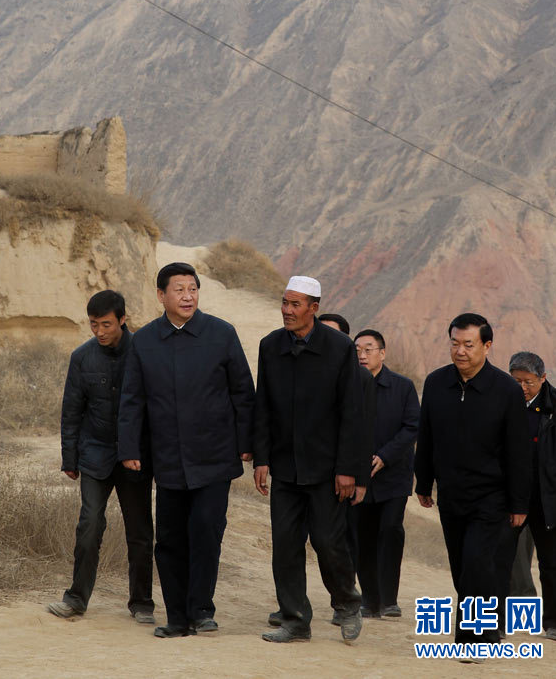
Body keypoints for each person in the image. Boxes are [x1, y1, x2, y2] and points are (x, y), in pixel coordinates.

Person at [118, 262, 255, 638]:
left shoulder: (221, 334)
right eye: (179, 289)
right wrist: (129, 446)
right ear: (161, 296)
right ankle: (177, 617)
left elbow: (243, 392)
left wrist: (247, 443)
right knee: (170, 540)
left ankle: (201, 610)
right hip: (168, 458)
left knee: (206, 533)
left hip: (214, 455)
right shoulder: (144, 341)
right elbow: (132, 399)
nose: (187, 296)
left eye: (192, 288)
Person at [254, 276, 370, 645]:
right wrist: (261, 458)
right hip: (286, 466)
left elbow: (353, 413)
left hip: (327, 468)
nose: (287, 311)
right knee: (285, 544)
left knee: (327, 541)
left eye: (295, 304)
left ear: (314, 309)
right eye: (284, 303)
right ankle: (295, 620)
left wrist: (349, 469)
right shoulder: (270, 346)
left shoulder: (339, 348)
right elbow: (263, 407)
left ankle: (348, 603)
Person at [414, 312, 531, 647]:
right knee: (461, 567)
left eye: (468, 344)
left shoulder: (506, 390)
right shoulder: (436, 383)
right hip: (451, 493)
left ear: (487, 346)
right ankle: (489, 625)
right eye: (455, 343)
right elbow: (427, 436)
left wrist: (518, 502)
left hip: (491, 496)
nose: (460, 351)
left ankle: (472, 638)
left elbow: (518, 452)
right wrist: (424, 482)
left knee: (478, 563)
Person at [48, 290, 154, 622]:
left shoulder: (145, 352)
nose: (100, 332)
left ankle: (142, 603)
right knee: (89, 525)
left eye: (106, 324)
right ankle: (76, 599)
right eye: (94, 325)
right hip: (94, 455)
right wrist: (70, 459)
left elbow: (154, 409)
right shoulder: (82, 357)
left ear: (123, 319)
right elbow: (71, 411)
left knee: (139, 531)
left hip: (133, 457)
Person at [499, 352, 556, 642]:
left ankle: (555, 622)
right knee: (501, 560)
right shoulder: (503, 405)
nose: (522, 388)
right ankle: (496, 622)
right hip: (512, 498)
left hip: (549, 498)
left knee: (551, 560)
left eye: (527, 382)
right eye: (515, 381)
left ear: (543, 378)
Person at [353, 328, 420, 619]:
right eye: (357, 350)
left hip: (393, 476)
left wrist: (385, 455)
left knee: (390, 531)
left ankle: (389, 599)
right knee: (362, 537)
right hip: (357, 476)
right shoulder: (348, 384)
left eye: (368, 349)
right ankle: (369, 599)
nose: (362, 355)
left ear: (382, 352)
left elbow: (411, 427)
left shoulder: (402, 387)